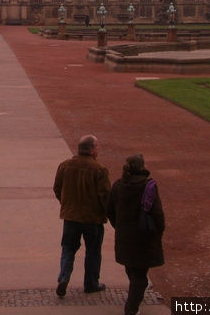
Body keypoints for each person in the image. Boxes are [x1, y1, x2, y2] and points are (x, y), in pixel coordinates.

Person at [53, 134, 111, 298]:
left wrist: (66, 205)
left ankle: (64, 277)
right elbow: (105, 197)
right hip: (92, 219)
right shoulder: (99, 170)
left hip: (71, 217)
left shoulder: (65, 166)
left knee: (68, 249)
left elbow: (57, 188)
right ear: (92, 150)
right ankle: (91, 283)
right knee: (93, 251)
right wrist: (106, 214)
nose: (98, 149)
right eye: (97, 147)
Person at [107, 154, 165, 315]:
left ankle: (134, 299)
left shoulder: (118, 186)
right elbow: (157, 214)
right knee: (140, 276)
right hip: (144, 237)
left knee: (132, 269)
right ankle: (131, 309)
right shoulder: (148, 186)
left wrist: (119, 226)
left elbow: (110, 210)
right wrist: (159, 231)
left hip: (125, 236)